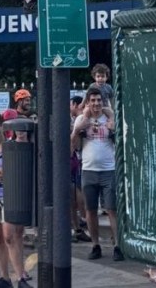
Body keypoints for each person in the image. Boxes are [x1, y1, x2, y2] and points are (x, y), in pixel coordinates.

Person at [71, 86, 123, 262]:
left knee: (112, 209)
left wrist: (114, 129)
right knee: (90, 211)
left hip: (109, 169)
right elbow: (74, 146)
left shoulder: (110, 118)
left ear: (103, 101)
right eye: (92, 100)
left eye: (99, 100)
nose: (96, 104)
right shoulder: (81, 119)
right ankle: (95, 245)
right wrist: (77, 129)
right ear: (88, 102)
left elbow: (122, 143)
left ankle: (117, 245)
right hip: (89, 170)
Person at [0, 112, 33, 288]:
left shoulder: (10, 146)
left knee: (10, 236)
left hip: (9, 195)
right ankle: (4, 278)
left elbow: (11, 171)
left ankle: (20, 277)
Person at [69, 96, 90, 243]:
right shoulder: (73, 122)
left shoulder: (76, 121)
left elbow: (74, 146)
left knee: (75, 197)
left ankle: (78, 226)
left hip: (72, 162)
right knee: (73, 197)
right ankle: (77, 227)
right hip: (71, 162)